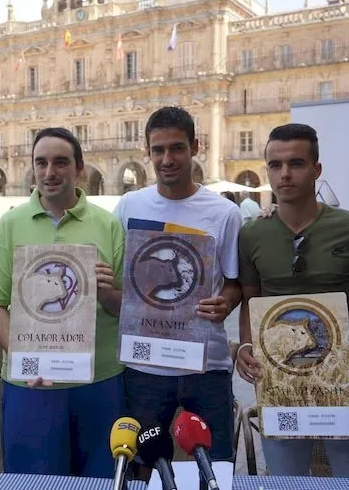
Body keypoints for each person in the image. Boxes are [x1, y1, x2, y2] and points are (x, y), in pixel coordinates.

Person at [235, 123, 349, 477]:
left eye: (297, 163)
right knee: (287, 480)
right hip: (280, 382)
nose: (284, 174)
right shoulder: (252, 233)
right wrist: (244, 345)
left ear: (317, 169)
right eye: (275, 165)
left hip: (346, 382)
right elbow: (249, 299)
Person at [0, 127, 126, 478]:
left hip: (99, 381)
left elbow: (127, 307)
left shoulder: (109, 225)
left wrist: (108, 292)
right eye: (41, 162)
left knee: (102, 480)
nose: (50, 172)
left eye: (60, 162)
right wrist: (21, 359)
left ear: (79, 168)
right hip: (31, 385)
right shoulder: (11, 224)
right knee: (34, 483)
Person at [112, 106, 242, 481]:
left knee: (215, 470)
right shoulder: (129, 207)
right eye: (158, 150)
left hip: (207, 366)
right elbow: (124, 282)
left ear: (195, 147)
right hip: (144, 367)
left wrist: (226, 302)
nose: (167, 159)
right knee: (145, 468)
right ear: (147, 152)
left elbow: (234, 283)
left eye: (177, 148)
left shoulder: (224, 213)